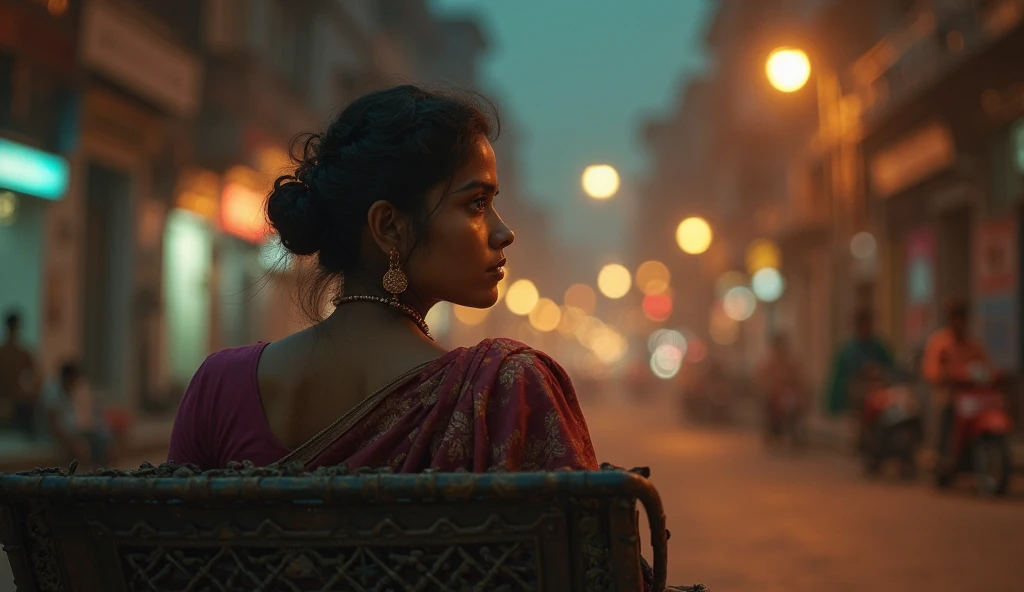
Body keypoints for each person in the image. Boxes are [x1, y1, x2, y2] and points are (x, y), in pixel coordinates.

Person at [168, 85, 598, 473]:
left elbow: (167, 552)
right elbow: (584, 554)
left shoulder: (217, 388)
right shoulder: (507, 392)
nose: (504, 232)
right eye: (476, 203)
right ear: (389, 227)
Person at [920, 300, 995, 466]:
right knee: (944, 409)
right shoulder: (939, 342)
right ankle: (939, 454)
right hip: (948, 392)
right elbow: (931, 370)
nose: (959, 323)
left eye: (963, 318)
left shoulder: (974, 344)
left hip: (972, 395)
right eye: (956, 318)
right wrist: (945, 375)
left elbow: (987, 369)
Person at [824, 308, 896, 450]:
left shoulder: (878, 346)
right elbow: (846, 372)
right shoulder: (849, 349)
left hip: (881, 388)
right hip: (859, 388)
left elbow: (891, 366)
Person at [39, 362, 112, 467]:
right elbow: (54, 425)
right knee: (83, 449)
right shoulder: (51, 391)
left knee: (103, 439)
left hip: (73, 430)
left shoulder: (69, 391)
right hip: (56, 435)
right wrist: (74, 442)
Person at [0, 310, 40, 438]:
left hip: (16, 398)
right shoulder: (17, 352)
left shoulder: (21, 352)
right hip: (9, 397)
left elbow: (37, 375)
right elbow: (37, 376)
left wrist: (31, 393)